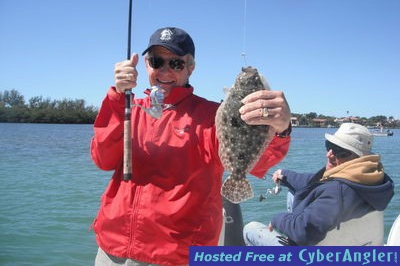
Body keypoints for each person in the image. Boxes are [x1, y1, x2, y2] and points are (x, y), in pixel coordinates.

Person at [90, 27, 292, 265]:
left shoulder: (211, 116)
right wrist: (117, 97)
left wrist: (281, 128)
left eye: (175, 63)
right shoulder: (129, 108)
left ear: (191, 67)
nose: (165, 71)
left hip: (177, 256)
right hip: (113, 247)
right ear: (145, 64)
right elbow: (103, 159)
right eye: (157, 61)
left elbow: (259, 163)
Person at [243, 122, 394, 246]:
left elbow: (304, 231)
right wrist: (285, 176)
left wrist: (277, 219)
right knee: (293, 194)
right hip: (355, 243)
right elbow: (315, 182)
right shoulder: (375, 180)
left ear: (357, 158)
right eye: (330, 146)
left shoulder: (337, 192)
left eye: (339, 151)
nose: (329, 154)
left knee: (250, 230)